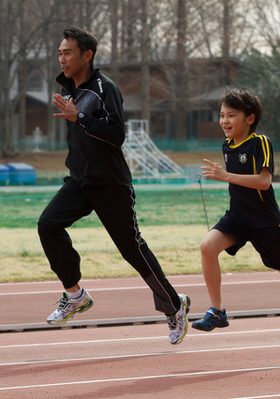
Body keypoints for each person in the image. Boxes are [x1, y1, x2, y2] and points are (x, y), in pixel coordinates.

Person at [37, 27, 190, 345]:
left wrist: (79, 117)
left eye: (68, 53)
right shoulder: (68, 90)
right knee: (48, 224)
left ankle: (174, 306)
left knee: (132, 250)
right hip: (79, 181)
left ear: (87, 56)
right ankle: (75, 294)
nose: (62, 59)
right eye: (60, 53)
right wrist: (75, 116)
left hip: (111, 183)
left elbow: (117, 134)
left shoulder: (105, 89)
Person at [192, 87, 280, 351]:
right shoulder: (227, 145)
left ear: (250, 118)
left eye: (231, 115)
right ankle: (217, 311)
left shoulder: (261, 143)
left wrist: (225, 176)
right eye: (222, 115)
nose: (224, 121)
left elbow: (264, 182)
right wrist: (226, 176)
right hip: (237, 217)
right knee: (207, 247)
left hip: (265, 222)